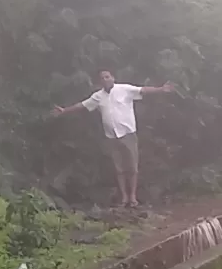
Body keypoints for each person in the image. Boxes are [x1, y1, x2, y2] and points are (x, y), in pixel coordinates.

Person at [52, 70, 175, 208]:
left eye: (107, 76)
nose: (105, 79)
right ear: (100, 82)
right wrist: (64, 110)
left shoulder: (124, 89)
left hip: (128, 134)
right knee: (119, 168)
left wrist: (161, 89)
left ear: (112, 78)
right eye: (102, 78)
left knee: (132, 167)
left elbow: (143, 90)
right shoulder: (98, 96)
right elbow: (82, 105)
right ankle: (124, 197)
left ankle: (133, 197)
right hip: (111, 136)